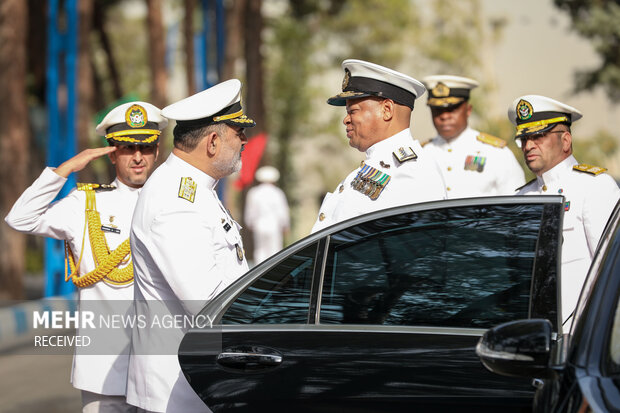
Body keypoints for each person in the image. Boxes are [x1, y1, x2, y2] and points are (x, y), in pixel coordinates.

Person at [4, 101, 167, 412]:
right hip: (105, 371)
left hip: (159, 370)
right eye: (126, 147)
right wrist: (64, 170)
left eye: (145, 148)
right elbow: (19, 218)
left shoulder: (173, 207)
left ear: (156, 151)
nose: (136, 157)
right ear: (111, 151)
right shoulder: (84, 204)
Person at [126, 79, 255, 413]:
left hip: (194, 385)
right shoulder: (175, 201)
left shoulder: (194, 189)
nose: (244, 141)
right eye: (238, 132)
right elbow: (209, 306)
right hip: (180, 393)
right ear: (212, 142)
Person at [509, 94, 620, 329]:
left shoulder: (594, 186)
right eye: (525, 138)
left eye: (538, 136)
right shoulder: (520, 197)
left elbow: (613, 273)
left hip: (582, 335)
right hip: (532, 336)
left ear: (566, 140)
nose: (528, 145)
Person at [311, 59, 447, 233]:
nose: (346, 119)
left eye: (353, 111)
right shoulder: (378, 167)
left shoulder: (412, 172)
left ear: (387, 110)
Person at [421, 75, 525, 198]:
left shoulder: (495, 153)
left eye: (452, 109)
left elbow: (516, 205)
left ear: (468, 110)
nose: (444, 116)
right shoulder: (421, 154)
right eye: (437, 110)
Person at [244, 165, 290, 264]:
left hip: (259, 225)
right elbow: (282, 212)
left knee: (260, 251)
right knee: (275, 250)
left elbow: (250, 212)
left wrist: (250, 223)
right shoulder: (278, 193)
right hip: (274, 225)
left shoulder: (254, 192)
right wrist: (285, 225)